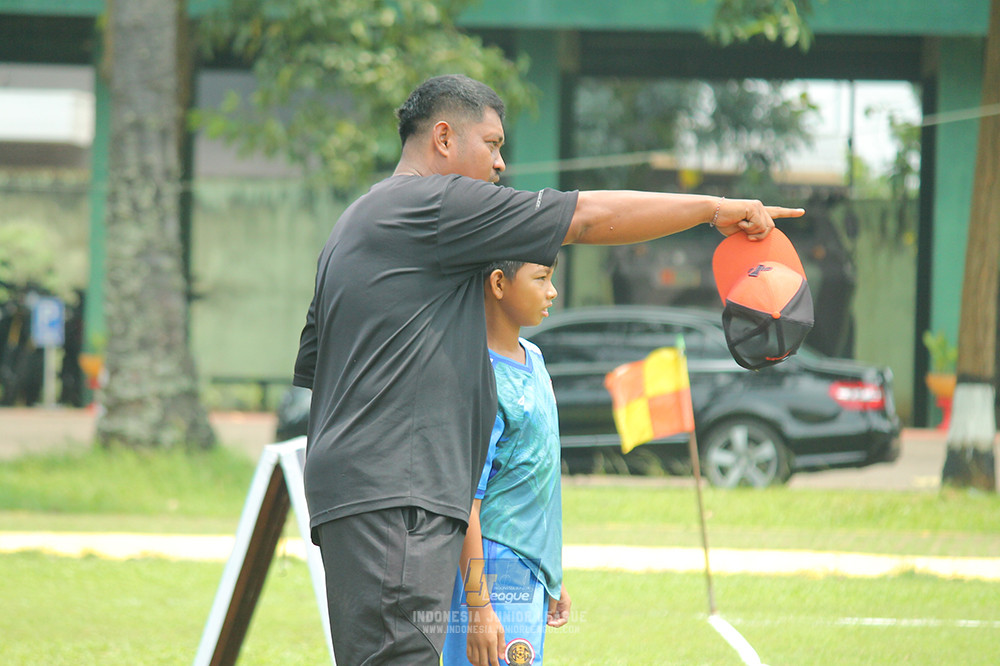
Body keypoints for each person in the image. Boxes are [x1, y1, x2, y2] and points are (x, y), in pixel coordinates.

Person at [292, 73, 803, 665]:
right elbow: (584, 217)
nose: (501, 163)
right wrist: (714, 209)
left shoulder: (353, 226)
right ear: (443, 138)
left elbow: (316, 366)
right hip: (396, 499)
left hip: (358, 498)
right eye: (492, 144)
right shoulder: (433, 204)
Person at [441, 260, 569, 666]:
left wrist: (548, 575)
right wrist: (479, 607)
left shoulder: (535, 357)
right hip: (492, 568)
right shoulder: (481, 377)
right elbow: (465, 503)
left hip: (526, 569)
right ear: (498, 283)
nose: (552, 291)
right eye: (541, 278)